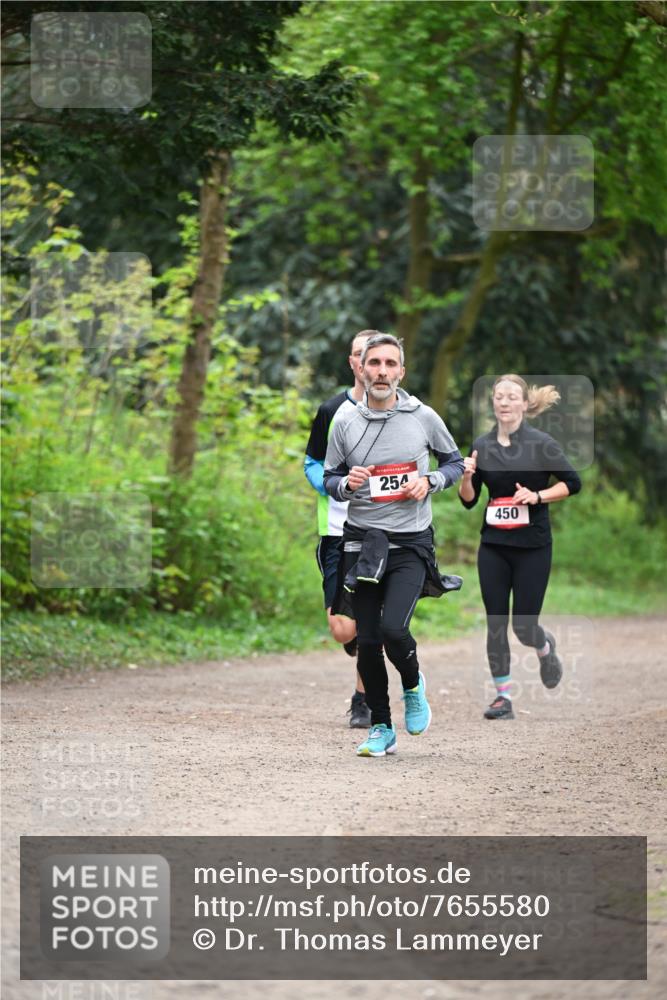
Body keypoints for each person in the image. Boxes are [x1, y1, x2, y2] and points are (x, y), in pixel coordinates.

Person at [324, 333, 464, 757]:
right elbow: (329, 477)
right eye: (375, 364)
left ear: (401, 371)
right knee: (366, 641)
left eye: (390, 364)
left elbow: (454, 462)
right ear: (361, 369)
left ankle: (413, 683)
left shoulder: (423, 416)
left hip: (410, 543)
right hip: (363, 543)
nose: (382, 371)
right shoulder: (344, 422)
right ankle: (381, 728)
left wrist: (431, 481)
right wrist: (347, 484)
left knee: (392, 629)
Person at [458, 374, 582, 720]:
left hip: (533, 546)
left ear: (525, 404)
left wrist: (538, 495)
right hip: (494, 545)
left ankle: (544, 647)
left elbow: (573, 483)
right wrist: (467, 476)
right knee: (496, 622)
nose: (504, 402)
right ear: (493, 403)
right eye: (499, 396)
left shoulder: (541, 444)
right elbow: (469, 501)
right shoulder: (482, 445)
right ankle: (503, 697)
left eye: (512, 396)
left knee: (524, 626)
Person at [304, 330, 379, 728]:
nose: (369, 363)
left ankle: (362, 699)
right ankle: (357, 640)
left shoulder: (403, 411)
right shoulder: (331, 410)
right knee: (341, 629)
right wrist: (335, 484)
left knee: (371, 617)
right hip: (336, 528)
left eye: (377, 356)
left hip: (382, 529)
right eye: (360, 355)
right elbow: (311, 463)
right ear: (353, 363)